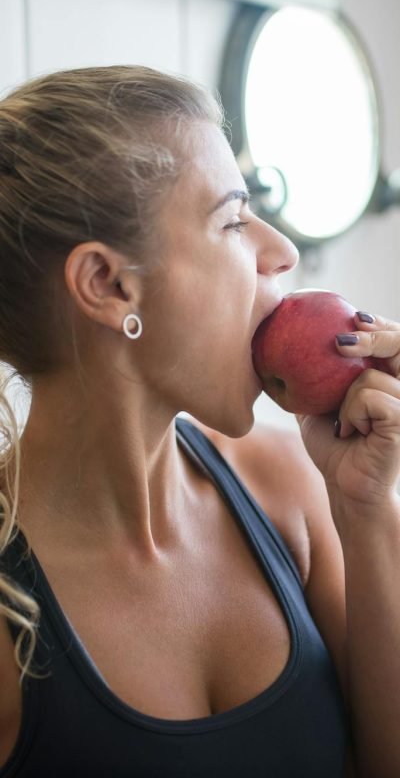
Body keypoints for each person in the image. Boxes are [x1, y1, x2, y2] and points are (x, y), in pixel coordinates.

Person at [0, 65, 399, 778]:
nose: (281, 253)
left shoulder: (288, 491)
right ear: (108, 284)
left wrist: (368, 509)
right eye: (233, 219)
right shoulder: (11, 617)